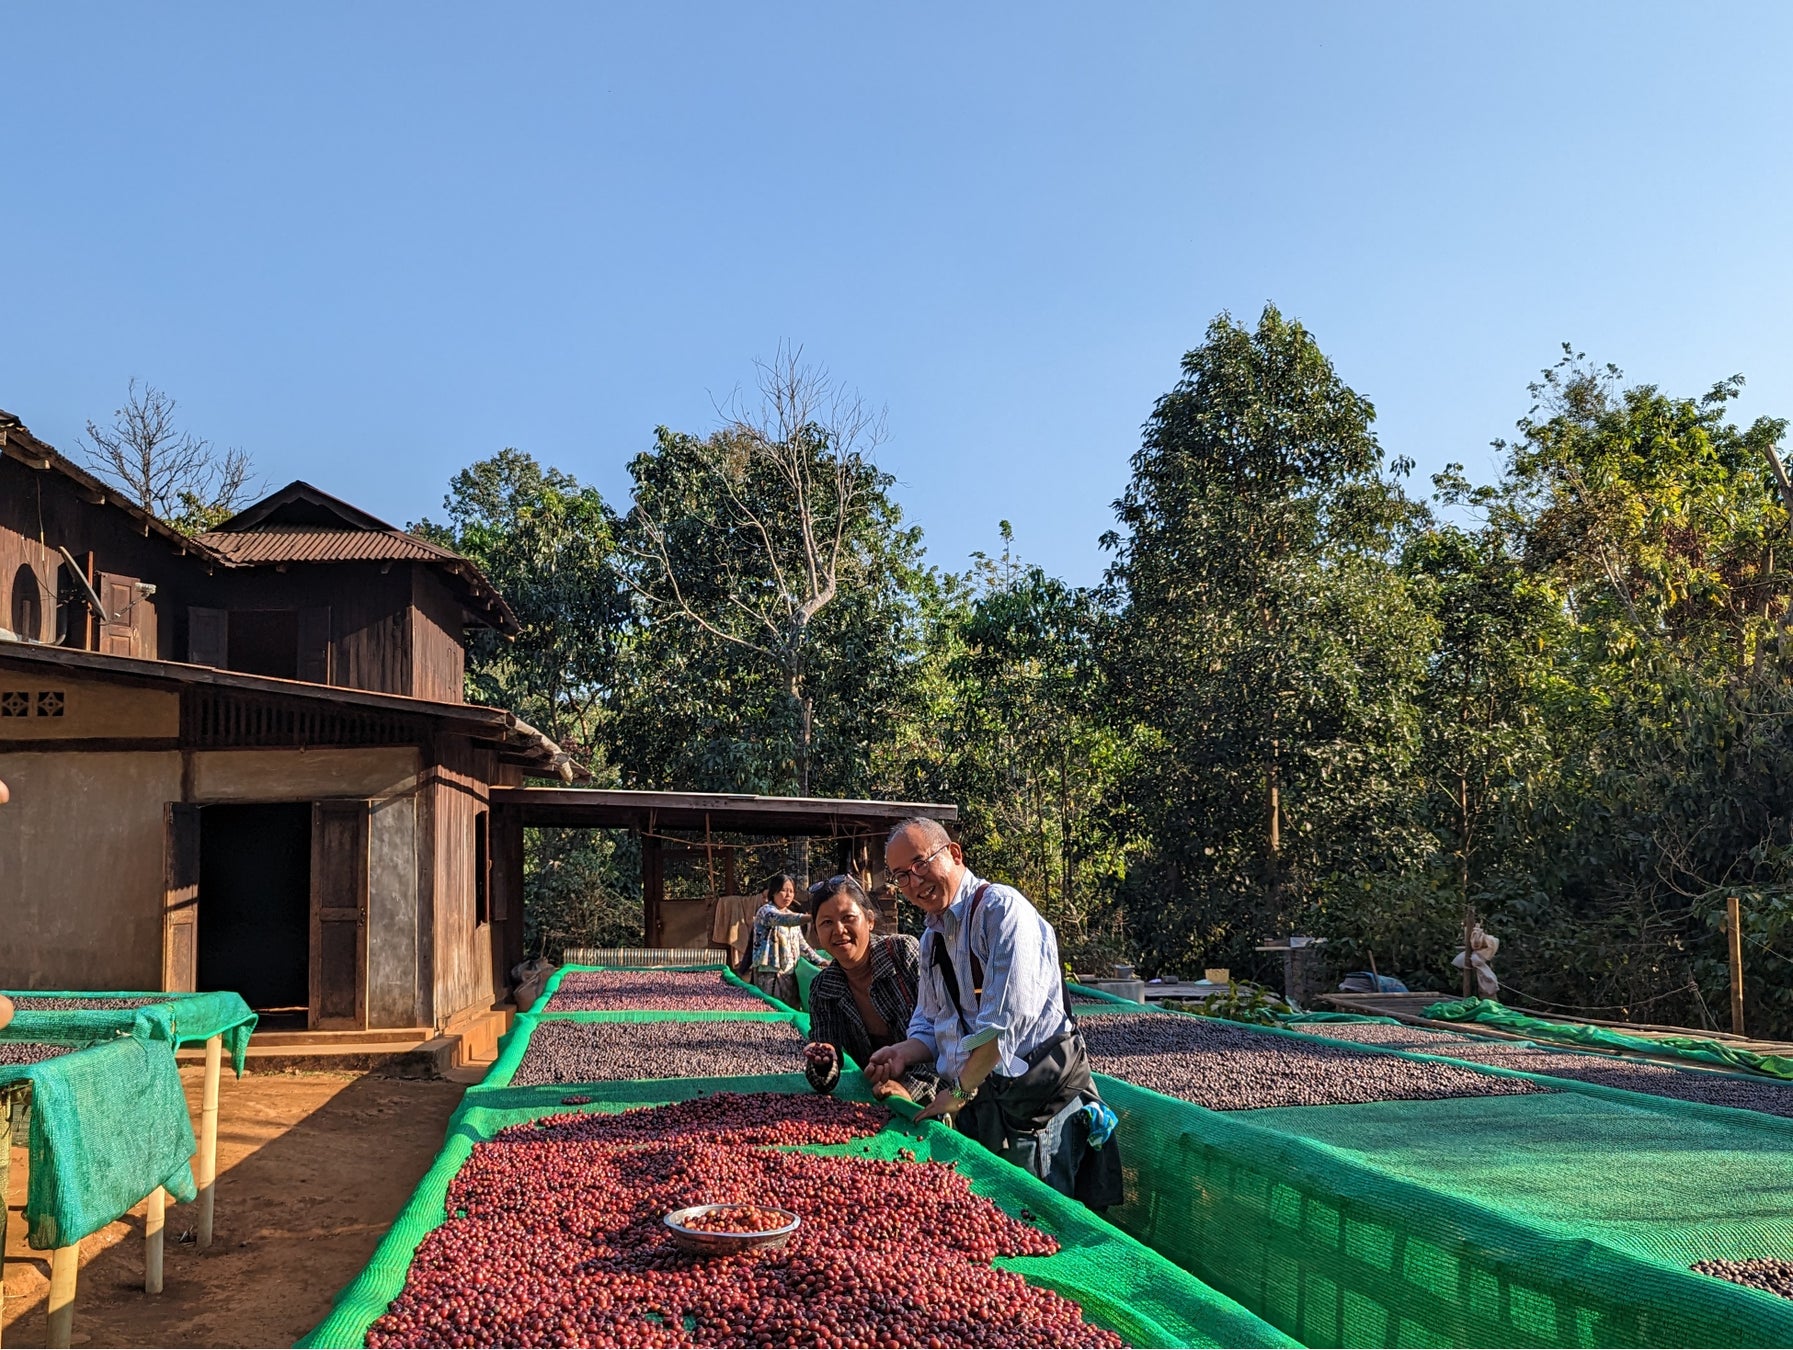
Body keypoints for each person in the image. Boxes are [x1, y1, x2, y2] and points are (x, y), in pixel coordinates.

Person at [866, 817, 1121, 1209]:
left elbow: (1002, 1028)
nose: (914, 883)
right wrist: (904, 1052)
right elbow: (934, 1022)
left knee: (1037, 1225)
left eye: (921, 864)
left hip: (1035, 1109)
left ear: (953, 854)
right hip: (986, 1104)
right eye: (901, 875)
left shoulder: (1002, 911)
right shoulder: (933, 937)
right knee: (995, 1227)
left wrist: (959, 1092)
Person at [803, 875, 937, 1105]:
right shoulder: (823, 988)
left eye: (848, 918)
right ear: (816, 933)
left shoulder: (903, 954)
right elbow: (823, 1081)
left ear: (870, 920)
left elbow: (942, 1031)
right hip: (881, 1099)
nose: (838, 930)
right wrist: (824, 1062)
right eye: (826, 923)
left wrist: (910, 1088)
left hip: (949, 1093)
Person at [749, 872, 820, 1009]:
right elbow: (784, 920)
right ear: (773, 892)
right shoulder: (765, 911)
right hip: (770, 972)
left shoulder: (790, 913)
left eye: (791, 891)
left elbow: (801, 943)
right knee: (771, 1008)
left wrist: (819, 960)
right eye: (783, 890)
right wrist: (814, 916)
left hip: (790, 971)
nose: (788, 895)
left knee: (790, 1009)